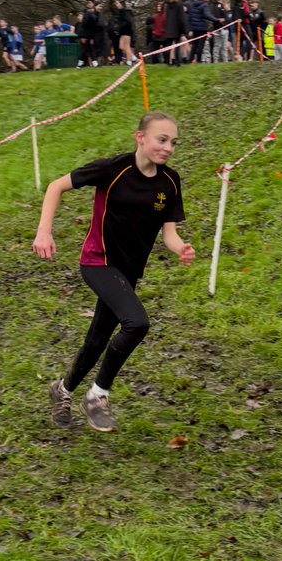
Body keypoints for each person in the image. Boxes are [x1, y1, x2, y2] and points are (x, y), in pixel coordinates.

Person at [32, 111, 195, 432]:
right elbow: (55, 187)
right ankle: (97, 395)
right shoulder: (113, 169)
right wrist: (43, 231)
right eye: (162, 140)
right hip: (98, 262)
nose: (168, 148)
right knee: (137, 323)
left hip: (127, 272)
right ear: (140, 137)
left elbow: (169, 233)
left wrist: (180, 248)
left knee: (97, 339)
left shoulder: (170, 181)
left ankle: (62, 391)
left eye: (173, 142)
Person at [188, 0, 215, 64]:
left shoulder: (193, 4)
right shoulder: (204, 4)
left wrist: (190, 27)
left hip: (194, 27)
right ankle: (199, 60)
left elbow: (190, 16)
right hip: (202, 27)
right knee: (201, 45)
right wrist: (216, 20)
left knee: (194, 44)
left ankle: (190, 59)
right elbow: (206, 15)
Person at [164, 0, 189, 65]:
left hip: (168, 27)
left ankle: (168, 62)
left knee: (168, 46)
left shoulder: (168, 5)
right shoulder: (179, 4)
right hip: (177, 28)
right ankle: (177, 61)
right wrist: (184, 30)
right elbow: (181, 18)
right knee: (177, 45)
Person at [212, 0, 230, 64]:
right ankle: (215, 61)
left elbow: (227, 18)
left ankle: (225, 61)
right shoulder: (217, 6)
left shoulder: (223, 6)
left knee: (224, 46)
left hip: (225, 29)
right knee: (217, 45)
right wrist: (219, 26)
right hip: (219, 29)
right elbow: (217, 18)